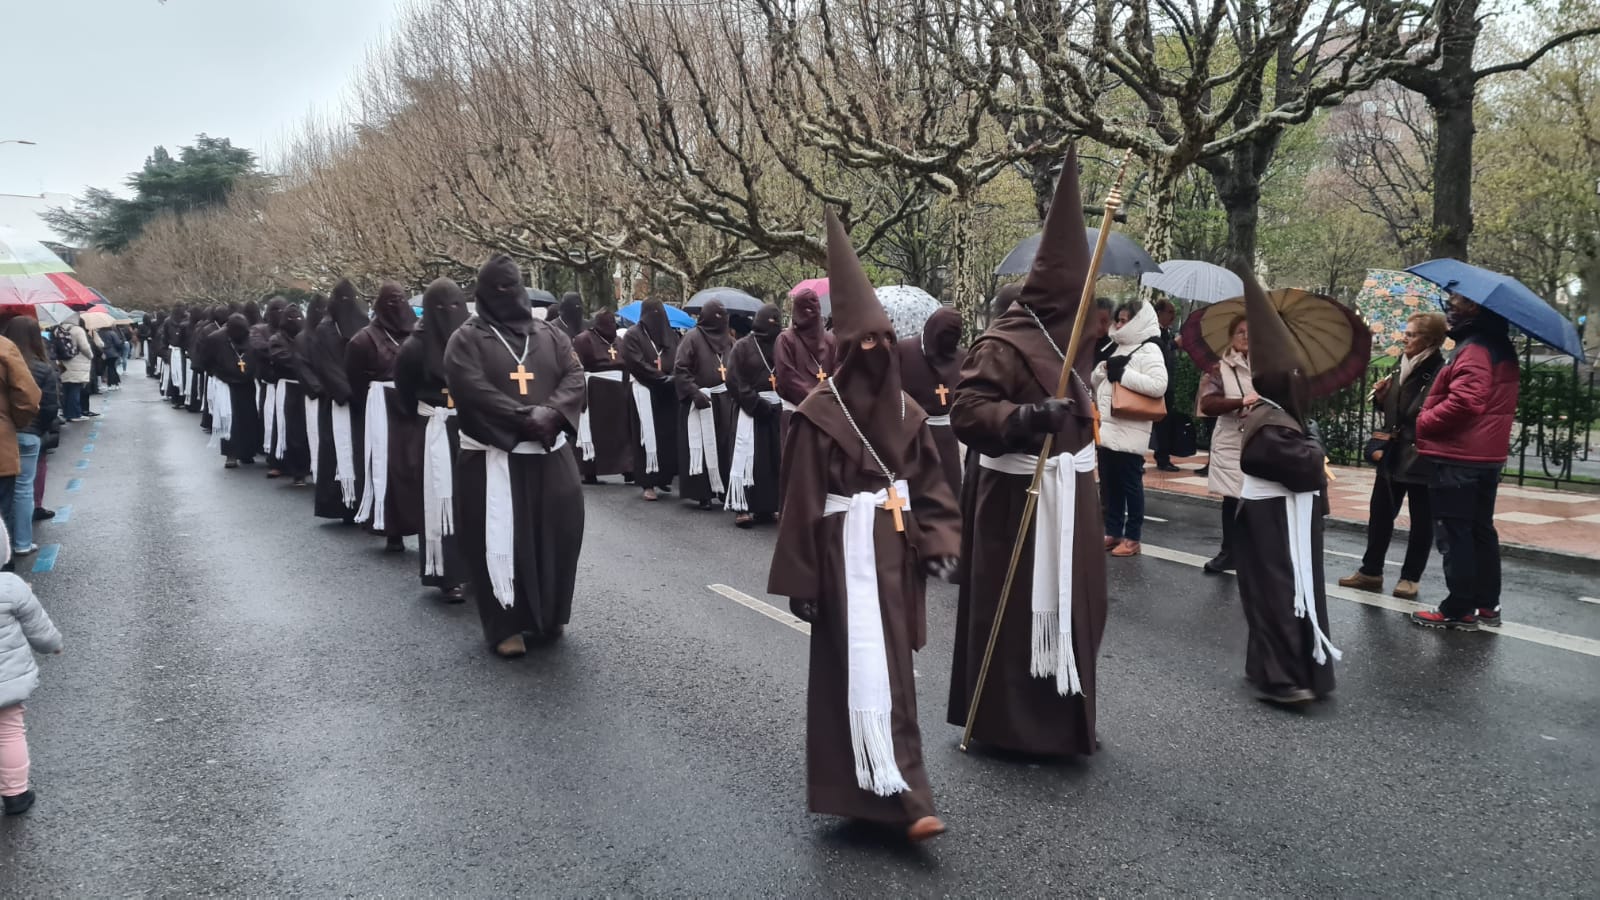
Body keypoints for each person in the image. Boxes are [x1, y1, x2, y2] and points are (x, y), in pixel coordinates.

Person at [767, 211, 960, 843]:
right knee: (848, 670)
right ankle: (875, 794)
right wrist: (802, 577)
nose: (877, 354)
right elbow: (800, 498)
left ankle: (903, 788)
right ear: (847, 351)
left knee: (895, 674)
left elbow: (930, 486)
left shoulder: (906, 411)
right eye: (865, 344)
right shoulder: (819, 415)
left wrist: (937, 544)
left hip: (894, 560)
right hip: (843, 557)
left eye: (884, 341)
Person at [947, 146, 1106, 758]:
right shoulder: (1004, 343)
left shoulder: (1073, 344)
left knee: (1082, 604)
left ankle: (1067, 716)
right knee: (1016, 612)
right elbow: (967, 411)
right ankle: (1014, 726)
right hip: (1018, 496)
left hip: (1072, 495)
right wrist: (1028, 416)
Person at [444, 255, 585, 658]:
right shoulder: (466, 338)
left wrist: (554, 413)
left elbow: (574, 376)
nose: (506, 293)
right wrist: (525, 417)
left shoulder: (550, 334)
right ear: (482, 292)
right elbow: (470, 389)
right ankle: (505, 625)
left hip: (550, 453)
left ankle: (552, 612)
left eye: (512, 285)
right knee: (499, 538)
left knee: (560, 531)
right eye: (497, 287)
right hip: (494, 458)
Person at [1232, 267, 1339, 705]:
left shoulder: (1277, 414)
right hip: (1270, 518)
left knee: (1290, 588)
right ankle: (1280, 676)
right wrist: (1313, 441)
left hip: (1281, 515)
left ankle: (1276, 666)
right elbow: (1306, 467)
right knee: (1278, 593)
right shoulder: (1270, 423)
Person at [1411, 295, 1520, 631]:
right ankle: (1486, 604)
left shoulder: (1474, 348)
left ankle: (1458, 607)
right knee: (1479, 530)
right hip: (1485, 455)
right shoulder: (1497, 344)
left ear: (1473, 308)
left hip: (1460, 456)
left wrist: (1424, 420)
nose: (1449, 305)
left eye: (1456, 301)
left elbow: (1466, 401)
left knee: (1455, 533)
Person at [1339, 312, 1447, 600]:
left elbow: (1433, 411)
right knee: (1380, 514)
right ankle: (1370, 571)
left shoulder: (1440, 370)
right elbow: (1396, 412)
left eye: (1412, 334)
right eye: (1406, 333)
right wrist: (1383, 399)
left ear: (1431, 340)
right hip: (1393, 453)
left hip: (1423, 454)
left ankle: (1411, 577)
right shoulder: (1400, 366)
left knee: (1422, 520)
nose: (1405, 339)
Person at [395, 278, 470, 603]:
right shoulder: (413, 347)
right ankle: (447, 573)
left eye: (455, 305)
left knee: (476, 499)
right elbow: (404, 393)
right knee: (442, 499)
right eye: (441, 307)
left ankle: (477, 568)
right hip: (436, 428)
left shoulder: (471, 340)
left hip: (470, 426)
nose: (449, 313)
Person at [1092, 300, 1169, 557]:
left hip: (1130, 430)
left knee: (1130, 485)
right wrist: (1103, 371)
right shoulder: (1119, 345)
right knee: (1110, 484)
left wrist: (1123, 374)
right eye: (1119, 319)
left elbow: (1159, 385)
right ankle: (1113, 531)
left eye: (1125, 320)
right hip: (1108, 428)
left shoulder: (1149, 349)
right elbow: (1098, 380)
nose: (1120, 324)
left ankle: (1133, 537)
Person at [348, 283, 421, 551]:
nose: (395, 305)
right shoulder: (363, 340)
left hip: (414, 406)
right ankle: (393, 529)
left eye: (400, 300)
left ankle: (423, 524)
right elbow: (355, 380)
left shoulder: (418, 334)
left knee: (418, 466)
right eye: (389, 301)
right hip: (384, 408)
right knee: (389, 466)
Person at [0, 532, 62, 816]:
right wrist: (53, 645)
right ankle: (15, 794)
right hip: (5, 684)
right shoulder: (11, 587)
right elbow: (40, 630)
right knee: (9, 733)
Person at [1197, 316, 1255, 573]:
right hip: (1232, 440)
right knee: (1233, 498)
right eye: (1239, 332)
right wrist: (1240, 402)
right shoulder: (1219, 368)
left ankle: (1253, 553)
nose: (1245, 336)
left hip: (1260, 438)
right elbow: (1208, 404)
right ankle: (1228, 551)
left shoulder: (1267, 365)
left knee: (1258, 499)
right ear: (1231, 337)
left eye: (1250, 332)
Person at [308, 281, 369, 520]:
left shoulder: (364, 324)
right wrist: (346, 391)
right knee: (338, 451)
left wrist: (364, 390)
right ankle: (340, 504)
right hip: (338, 401)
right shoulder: (324, 330)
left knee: (362, 453)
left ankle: (362, 502)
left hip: (362, 402)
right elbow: (324, 364)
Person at [674, 300, 737, 509]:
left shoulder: (729, 341)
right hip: (701, 399)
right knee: (701, 445)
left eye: (724, 315)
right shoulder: (691, 338)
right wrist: (693, 392)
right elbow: (681, 369)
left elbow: (736, 366)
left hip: (725, 400)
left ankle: (723, 488)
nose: (721, 319)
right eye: (717, 315)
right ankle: (703, 493)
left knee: (724, 445)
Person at [725, 303, 784, 527]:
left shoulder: (781, 344)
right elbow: (734, 380)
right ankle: (743, 507)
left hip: (776, 409)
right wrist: (755, 403)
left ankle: (768, 506)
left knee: (771, 460)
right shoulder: (742, 346)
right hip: (751, 409)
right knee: (749, 459)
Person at [897, 307, 964, 500]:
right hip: (913, 436)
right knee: (917, 494)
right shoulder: (904, 351)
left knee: (949, 494)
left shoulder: (962, 357)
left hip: (950, 437)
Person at [2, 319, 56, 558]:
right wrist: (26, 425)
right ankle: (20, 543)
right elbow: (38, 402)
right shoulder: (38, 365)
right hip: (22, 433)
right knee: (22, 489)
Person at [620, 299, 680, 502]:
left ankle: (663, 476)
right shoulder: (633, 335)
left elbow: (677, 358)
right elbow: (635, 362)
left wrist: (671, 376)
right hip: (644, 389)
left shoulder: (670, 335)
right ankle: (647, 483)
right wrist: (659, 377)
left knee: (666, 436)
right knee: (646, 437)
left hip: (666, 392)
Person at [572, 310, 636, 485]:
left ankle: (627, 468)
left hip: (619, 392)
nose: (611, 328)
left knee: (623, 433)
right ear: (597, 325)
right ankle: (590, 471)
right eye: (607, 324)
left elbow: (627, 363)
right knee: (595, 433)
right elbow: (577, 368)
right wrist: (581, 395)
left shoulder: (619, 341)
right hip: (595, 393)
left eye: (612, 324)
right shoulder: (584, 339)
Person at [267, 304, 313, 486]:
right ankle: (296, 470)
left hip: (307, 387)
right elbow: (283, 359)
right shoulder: (276, 339)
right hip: (289, 388)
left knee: (308, 429)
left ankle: (309, 465)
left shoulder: (307, 338)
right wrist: (304, 363)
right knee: (290, 430)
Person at [209, 315, 263, 469]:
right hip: (227, 385)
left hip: (247, 384)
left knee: (249, 418)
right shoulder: (217, 339)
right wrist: (219, 374)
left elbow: (258, 358)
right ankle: (230, 454)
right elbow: (207, 360)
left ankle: (247, 452)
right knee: (229, 419)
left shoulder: (250, 339)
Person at [774, 288, 835, 418]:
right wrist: (818, 399)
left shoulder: (831, 341)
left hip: (826, 412)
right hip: (797, 413)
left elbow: (839, 372)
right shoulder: (786, 340)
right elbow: (787, 378)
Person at [252, 297, 291, 475]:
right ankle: (274, 459)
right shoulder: (259, 330)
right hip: (271, 385)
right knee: (273, 423)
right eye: (275, 310)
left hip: (292, 386)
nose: (279, 314)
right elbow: (259, 348)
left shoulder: (293, 330)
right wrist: (278, 350)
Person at [293, 296, 328, 488]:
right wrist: (319, 388)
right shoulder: (302, 338)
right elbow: (302, 366)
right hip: (316, 394)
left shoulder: (332, 334)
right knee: (313, 434)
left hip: (333, 394)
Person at [1147, 298, 1182, 472]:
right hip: (1154, 383)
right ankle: (1142, 457)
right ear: (1158, 313)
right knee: (1147, 421)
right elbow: (1156, 351)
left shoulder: (1168, 332)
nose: (1173, 316)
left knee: (1164, 422)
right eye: (1170, 312)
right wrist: (1174, 344)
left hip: (1167, 385)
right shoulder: (1152, 332)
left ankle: (1163, 457)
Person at [58, 320, 93, 424]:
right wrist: (91, 356)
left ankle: (66, 413)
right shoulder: (77, 330)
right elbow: (85, 347)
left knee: (65, 389)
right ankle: (74, 414)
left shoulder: (58, 329)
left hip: (63, 362)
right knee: (75, 389)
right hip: (77, 362)